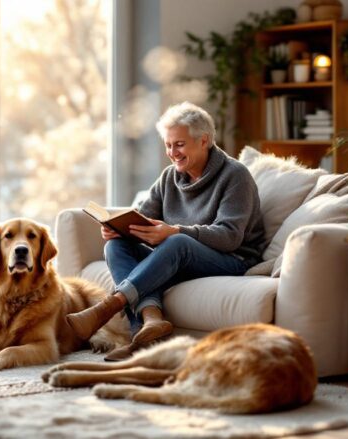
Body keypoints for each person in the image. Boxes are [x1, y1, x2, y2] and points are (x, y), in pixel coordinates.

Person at [66, 101, 266, 361]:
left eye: (179, 144)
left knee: (176, 242)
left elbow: (229, 236)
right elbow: (143, 216)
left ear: (203, 140)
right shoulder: (170, 177)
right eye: (168, 145)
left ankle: (108, 307)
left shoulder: (235, 176)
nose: (172, 152)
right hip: (182, 254)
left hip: (233, 259)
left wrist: (174, 231)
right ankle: (147, 329)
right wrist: (119, 228)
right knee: (116, 247)